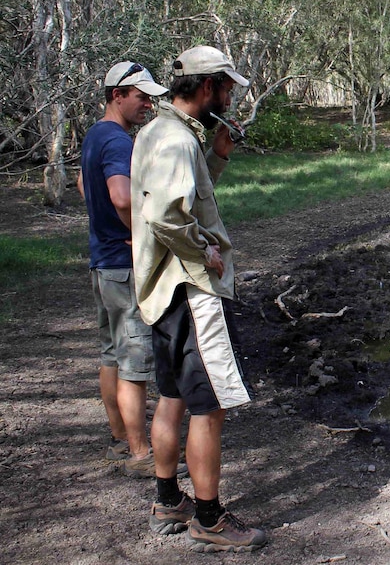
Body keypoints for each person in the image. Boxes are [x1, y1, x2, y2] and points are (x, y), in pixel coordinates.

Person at [130, 45, 266, 552]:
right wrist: (204, 250)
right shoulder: (175, 140)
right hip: (191, 291)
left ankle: (168, 501)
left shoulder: (163, 131)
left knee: (173, 396)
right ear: (207, 86)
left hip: (162, 293)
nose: (229, 97)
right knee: (210, 407)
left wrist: (220, 153)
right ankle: (208, 520)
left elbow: (190, 197)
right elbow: (167, 215)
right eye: (227, 88)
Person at [77, 61, 169, 478]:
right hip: (123, 264)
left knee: (111, 354)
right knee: (136, 362)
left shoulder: (95, 135)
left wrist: (105, 226)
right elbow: (121, 196)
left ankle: (119, 438)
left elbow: (83, 185)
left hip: (102, 262)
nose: (148, 104)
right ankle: (139, 452)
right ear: (117, 94)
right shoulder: (118, 141)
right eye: (141, 96)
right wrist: (145, 227)